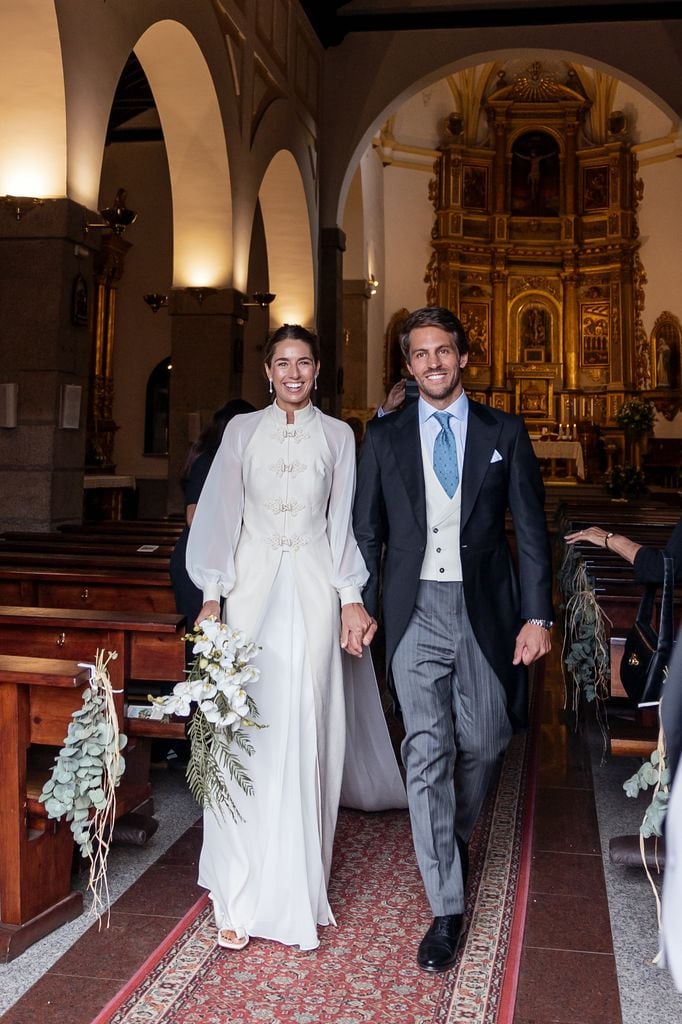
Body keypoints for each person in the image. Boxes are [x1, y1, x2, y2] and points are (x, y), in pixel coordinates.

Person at [186, 323, 406, 952]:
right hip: (249, 595)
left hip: (312, 595)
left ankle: (298, 890)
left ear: (317, 370)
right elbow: (221, 518)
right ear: (266, 370)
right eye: (282, 363)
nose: (293, 373)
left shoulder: (340, 437)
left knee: (308, 729)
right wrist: (211, 596)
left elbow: (343, 530)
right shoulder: (240, 432)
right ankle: (235, 889)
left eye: (304, 363)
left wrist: (351, 600)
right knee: (241, 733)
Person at [353, 305, 553, 973]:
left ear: (463, 357)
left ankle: (448, 837)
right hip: (412, 611)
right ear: (407, 366)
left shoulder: (505, 431)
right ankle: (446, 904)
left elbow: (529, 531)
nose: (432, 362)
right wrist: (358, 602)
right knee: (427, 749)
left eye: (443, 350)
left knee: (489, 736)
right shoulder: (382, 438)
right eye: (419, 353)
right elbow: (367, 532)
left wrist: (538, 616)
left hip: (484, 609)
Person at [169, 399, 255, 629]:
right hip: (201, 557)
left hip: (230, 557)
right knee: (204, 635)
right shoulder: (206, 462)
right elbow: (194, 516)